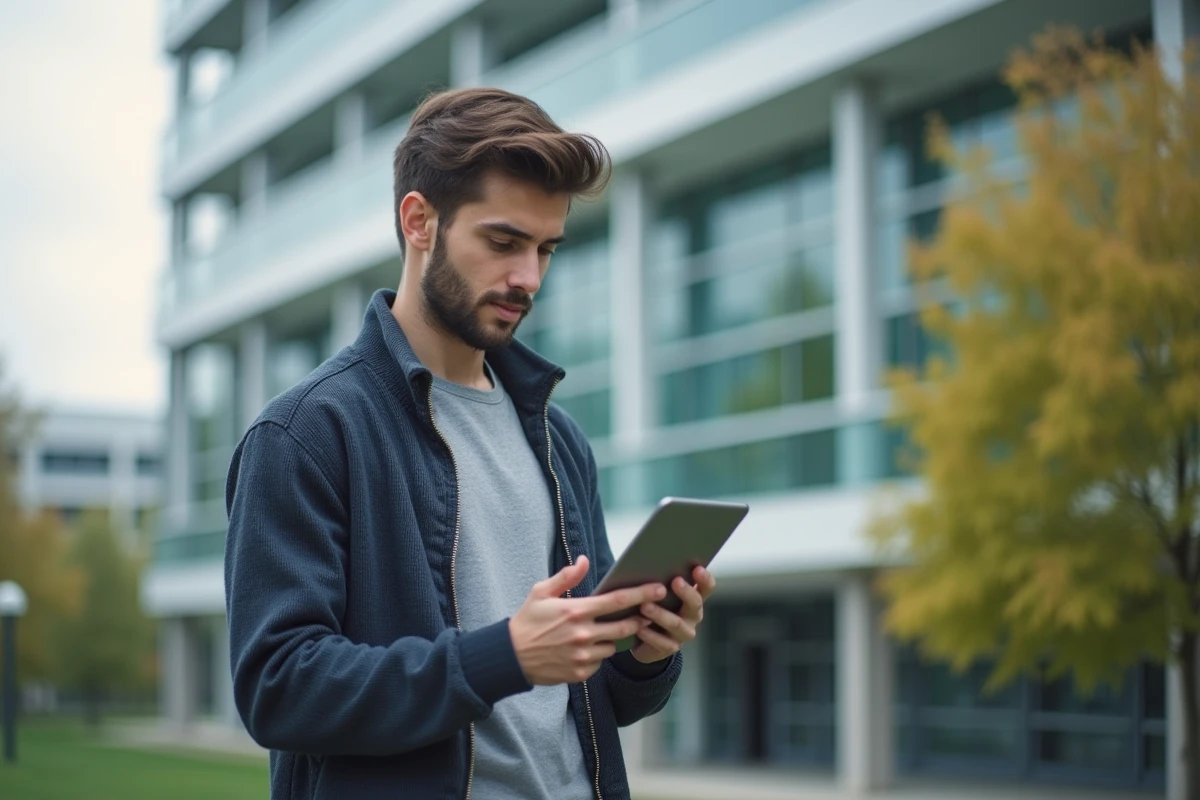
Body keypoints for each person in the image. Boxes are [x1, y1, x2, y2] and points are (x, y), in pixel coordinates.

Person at [224, 87, 718, 800]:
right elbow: (278, 689)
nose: (529, 278)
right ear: (419, 221)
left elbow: (596, 701)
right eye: (504, 242)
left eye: (546, 249)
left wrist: (645, 652)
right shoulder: (305, 435)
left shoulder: (558, 439)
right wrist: (504, 656)